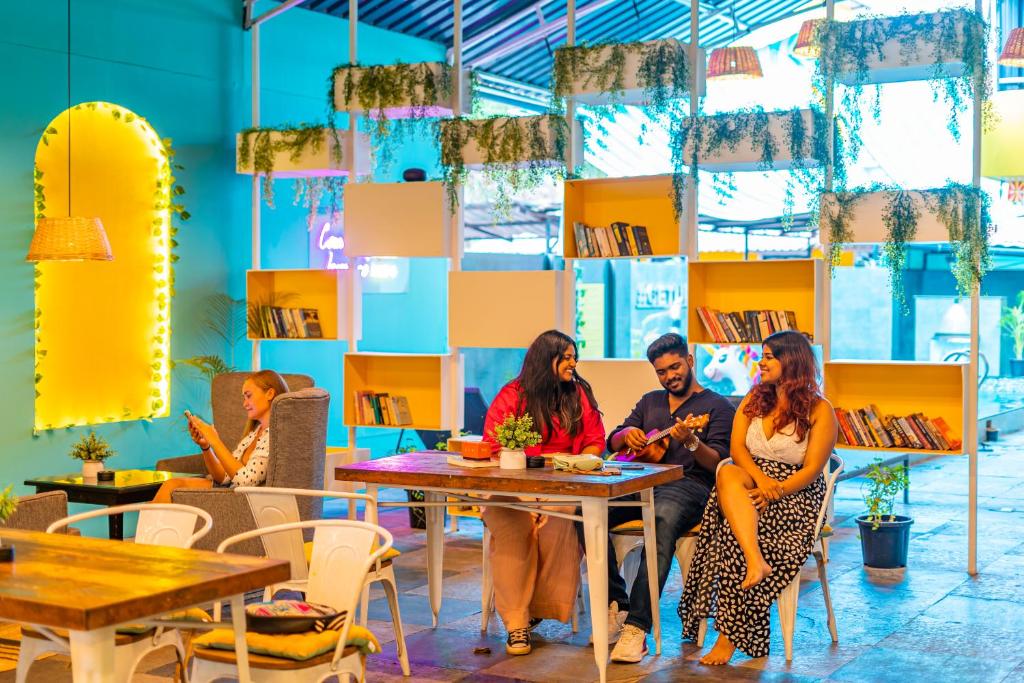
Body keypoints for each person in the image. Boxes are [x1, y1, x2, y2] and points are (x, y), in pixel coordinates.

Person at [678, 330, 838, 665]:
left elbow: (812, 469)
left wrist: (776, 489)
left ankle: (727, 637)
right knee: (726, 473)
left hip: (795, 495)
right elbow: (736, 449)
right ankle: (756, 560)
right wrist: (763, 481)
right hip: (752, 482)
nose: (761, 362)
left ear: (791, 361)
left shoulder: (820, 410)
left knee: (732, 534)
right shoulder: (755, 398)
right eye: (762, 356)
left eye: (769, 357)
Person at [601, 333, 736, 664]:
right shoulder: (650, 401)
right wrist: (625, 436)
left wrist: (691, 441)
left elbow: (719, 462)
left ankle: (637, 628)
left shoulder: (717, 407)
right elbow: (613, 440)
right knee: (587, 511)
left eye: (675, 366)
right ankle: (618, 604)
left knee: (659, 519)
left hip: (688, 485)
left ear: (689, 361)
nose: (669, 375)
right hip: (640, 480)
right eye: (661, 371)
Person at [481, 330, 605, 656]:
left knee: (563, 518)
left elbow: (595, 441)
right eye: (565, 357)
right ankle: (516, 624)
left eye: (573, 356)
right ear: (544, 359)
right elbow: (495, 447)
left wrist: (578, 463)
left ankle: (535, 609)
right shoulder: (511, 396)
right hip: (510, 489)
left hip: (561, 487)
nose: (573, 363)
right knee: (513, 527)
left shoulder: (578, 394)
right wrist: (526, 497)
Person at [153, 370, 290, 503]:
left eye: (248, 396)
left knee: (172, 489)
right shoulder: (254, 433)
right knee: (171, 484)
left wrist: (215, 440)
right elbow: (223, 477)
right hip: (229, 491)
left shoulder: (275, 436)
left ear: (270, 393)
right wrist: (206, 446)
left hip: (244, 501)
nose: (244, 404)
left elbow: (245, 482)